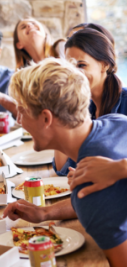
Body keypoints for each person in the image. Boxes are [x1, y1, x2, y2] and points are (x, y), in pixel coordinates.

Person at [6, 57, 127, 267]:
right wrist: (46, 212)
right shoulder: (115, 122)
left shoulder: (91, 191)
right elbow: (114, 201)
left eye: (22, 110)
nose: (18, 119)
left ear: (47, 118)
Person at [53, 28, 127, 176]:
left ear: (105, 64)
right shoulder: (83, 107)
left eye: (81, 65)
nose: (74, 74)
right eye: (70, 67)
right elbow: (62, 168)